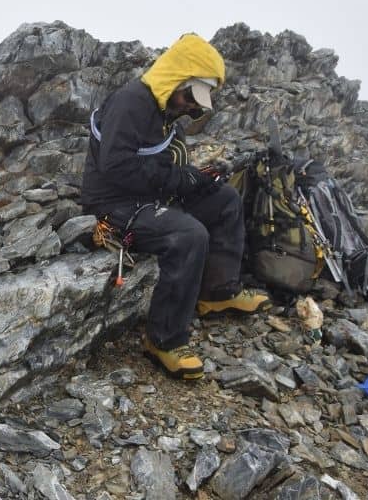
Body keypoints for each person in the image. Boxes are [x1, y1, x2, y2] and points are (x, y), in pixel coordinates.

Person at [81, 33, 269, 380]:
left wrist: (191, 178)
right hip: (114, 204)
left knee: (225, 199)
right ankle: (164, 340)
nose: (191, 106)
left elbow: (166, 167)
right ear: (175, 79)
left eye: (197, 101)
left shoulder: (166, 111)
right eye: (189, 96)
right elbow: (115, 165)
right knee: (189, 234)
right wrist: (175, 179)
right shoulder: (131, 103)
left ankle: (217, 292)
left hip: (150, 195)